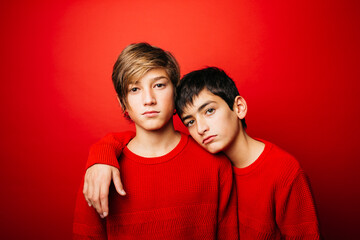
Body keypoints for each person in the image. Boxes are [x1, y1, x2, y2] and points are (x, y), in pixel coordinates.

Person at [84, 66, 321, 239]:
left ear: (238, 107)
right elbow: (144, 140)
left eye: (209, 111)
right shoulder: (210, 161)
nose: (201, 128)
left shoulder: (284, 172)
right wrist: (103, 152)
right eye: (189, 121)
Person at [73, 44, 239, 239]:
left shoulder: (215, 164)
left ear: (176, 92)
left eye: (159, 85)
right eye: (134, 89)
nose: (148, 99)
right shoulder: (101, 172)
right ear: (122, 102)